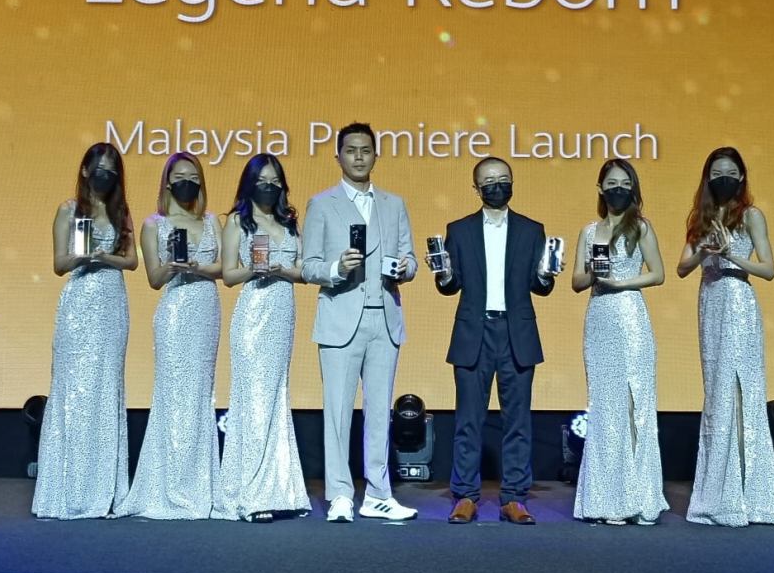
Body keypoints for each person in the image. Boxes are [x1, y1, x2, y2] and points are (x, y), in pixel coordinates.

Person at [428, 156, 556, 525]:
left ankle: (514, 497)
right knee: (468, 420)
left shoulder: (532, 230)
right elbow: (449, 285)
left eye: (503, 178)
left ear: (513, 182)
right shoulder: (459, 230)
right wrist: (444, 273)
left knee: (518, 421)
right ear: (476, 188)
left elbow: (541, 286)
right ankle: (465, 496)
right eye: (488, 180)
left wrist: (546, 274)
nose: (496, 185)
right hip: (474, 333)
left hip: (517, 333)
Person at [302, 123, 418, 522]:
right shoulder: (322, 204)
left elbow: (410, 258)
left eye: (366, 150)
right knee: (337, 411)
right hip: (340, 317)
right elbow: (308, 265)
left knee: (379, 410)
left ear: (375, 156)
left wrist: (405, 268)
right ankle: (339, 494)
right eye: (351, 150)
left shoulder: (394, 204)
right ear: (338, 156)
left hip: (384, 318)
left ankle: (378, 493)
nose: (358, 157)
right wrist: (336, 268)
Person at [677, 146, 774, 526]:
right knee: (718, 392)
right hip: (710, 302)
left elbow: (769, 269)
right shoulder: (702, 217)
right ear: (708, 179)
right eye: (716, 174)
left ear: (740, 178)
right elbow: (681, 267)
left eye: (730, 173)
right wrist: (704, 251)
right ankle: (717, 491)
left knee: (744, 391)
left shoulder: (751, 216)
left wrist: (730, 255)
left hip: (739, 299)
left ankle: (751, 493)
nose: (723, 179)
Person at [114, 152, 222, 519]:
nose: (186, 182)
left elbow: (224, 268)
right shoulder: (153, 225)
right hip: (175, 313)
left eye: (193, 176)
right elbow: (154, 279)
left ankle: (198, 485)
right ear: (168, 182)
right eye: (179, 176)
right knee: (173, 394)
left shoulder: (211, 221)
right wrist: (175, 266)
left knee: (200, 394)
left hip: (206, 310)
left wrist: (199, 266)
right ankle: (169, 486)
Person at [33, 142, 137, 519]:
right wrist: (83, 257)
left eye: (111, 170)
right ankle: (69, 490)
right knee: (75, 390)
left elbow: (132, 261)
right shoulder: (69, 210)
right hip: (79, 305)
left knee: (106, 388)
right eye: (99, 169)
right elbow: (59, 264)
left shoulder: (120, 212)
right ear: (84, 171)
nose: (104, 176)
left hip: (111, 303)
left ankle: (104, 490)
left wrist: (105, 257)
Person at [214, 154, 311, 523]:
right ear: (250, 183)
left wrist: (282, 269)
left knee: (275, 397)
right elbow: (228, 275)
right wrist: (256, 269)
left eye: (275, 181)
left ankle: (281, 489)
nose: (269, 187)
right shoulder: (238, 222)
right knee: (253, 400)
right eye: (262, 180)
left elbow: (303, 271)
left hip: (282, 313)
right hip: (253, 315)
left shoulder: (289, 222)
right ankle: (252, 494)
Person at [570, 159, 668, 525]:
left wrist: (621, 282)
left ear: (633, 188)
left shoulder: (640, 227)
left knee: (633, 403)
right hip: (599, 318)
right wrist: (595, 272)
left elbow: (657, 274)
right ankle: (607, 498)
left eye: (625, 183)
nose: (618, 189)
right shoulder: (589, 231)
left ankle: (637, 498)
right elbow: (577, 282)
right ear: (600, 189)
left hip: (630, 317)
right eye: (611, 183)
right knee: (604, 407)